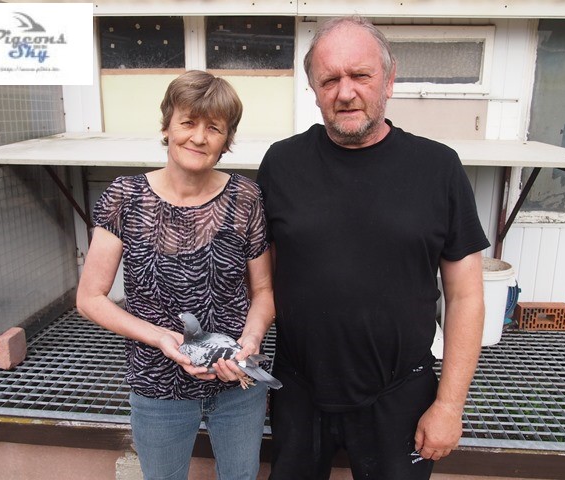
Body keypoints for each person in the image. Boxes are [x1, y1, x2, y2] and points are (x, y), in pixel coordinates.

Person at [256, 16, 490, 480]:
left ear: (389, 78)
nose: (345, 92)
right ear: (313, 88)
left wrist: (449, 405)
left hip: (400, 394)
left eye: (360, 75)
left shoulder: (438, 167)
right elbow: (261, 279)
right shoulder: (281, 163)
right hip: (298, 389)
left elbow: (466, 295)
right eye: (329, 80)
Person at [76, 70, 275, 480]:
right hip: (156, 384)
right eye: (188, 122)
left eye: (214, 128)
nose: (199, 137)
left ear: (227, 140)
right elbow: (90, 298)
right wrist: (162, 338)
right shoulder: (125, 197)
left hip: (236, 381)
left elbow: (264, 290)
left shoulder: (247, 198)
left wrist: (250, 342)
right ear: (167, 126)